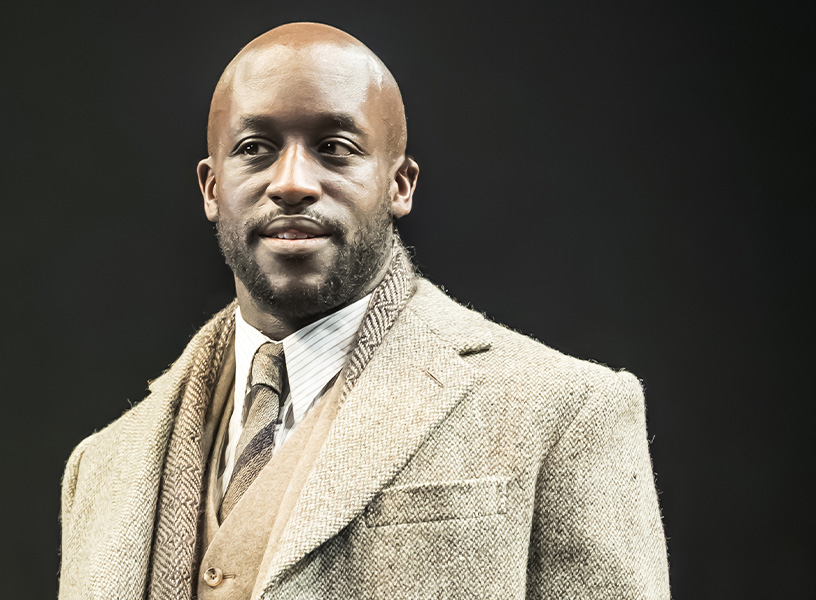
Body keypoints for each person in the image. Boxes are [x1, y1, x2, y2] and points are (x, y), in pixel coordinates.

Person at [58, 22, 669, 600]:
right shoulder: (104, 468)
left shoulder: (563, 412)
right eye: (254, 148)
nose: (292, 181)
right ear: (212, 187)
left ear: (399, 184)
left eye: (335, 147)